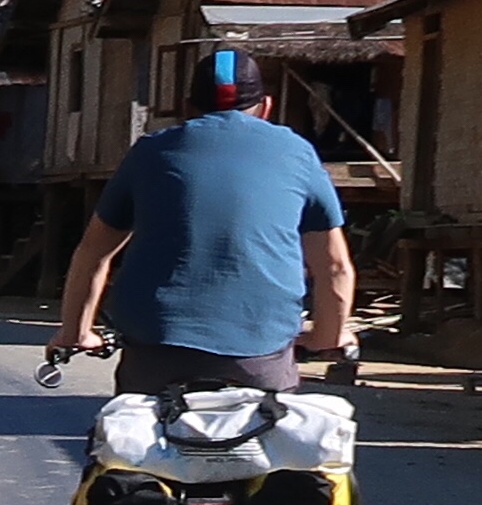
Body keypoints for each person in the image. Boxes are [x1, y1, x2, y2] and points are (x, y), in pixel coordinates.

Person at [47, 48, 356, 398]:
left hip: (157, 342)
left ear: (186, 107)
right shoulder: (297, 153)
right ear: (266, 108)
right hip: (260, 348)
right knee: (275, 437)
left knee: (131, 439)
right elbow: (333, 266)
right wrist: (328, 336)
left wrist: (76, 333)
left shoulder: (151, 152)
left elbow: (93, 253)